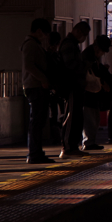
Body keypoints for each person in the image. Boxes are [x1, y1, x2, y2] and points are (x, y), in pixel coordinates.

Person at [22, 18, 54, 164]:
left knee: (39, 121)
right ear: (39, 31)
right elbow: (29, 65)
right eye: (45, 33)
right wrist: (43, 79)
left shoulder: (34, 44)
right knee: (36, 121)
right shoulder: (30, 45)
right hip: (35, 86)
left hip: (37, 85)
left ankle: (36, 151)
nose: (46, 36)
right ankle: (34, 153)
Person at [58, 21, 91, 159]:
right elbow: (70, 65)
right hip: (71, 85)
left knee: (77, 116)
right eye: (83, 34)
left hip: (76, 85)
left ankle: (73, 146)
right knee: (71, 116)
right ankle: (67, 147)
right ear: (77, 31)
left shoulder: (73, 45)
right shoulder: (68, 45)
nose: (84, 38)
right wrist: (83, 66)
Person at [81, 35, 111, 152]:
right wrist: (103, 83)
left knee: (94, 118)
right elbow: (91, 74)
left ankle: (91, 141)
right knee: (89, 118)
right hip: (88, 92)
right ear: (97, 47)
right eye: (102, 50)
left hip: (92, 92)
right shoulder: (88, 57)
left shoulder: (92, 56)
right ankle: (88, 142)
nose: (102, 53)